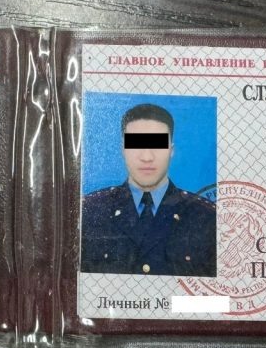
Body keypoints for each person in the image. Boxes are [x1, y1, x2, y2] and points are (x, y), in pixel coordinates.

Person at [81, 103, 216, 276]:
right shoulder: (91, 211)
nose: (146, 157)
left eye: (157, 144)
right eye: (136, 144)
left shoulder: (206, 217)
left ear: (171, 151)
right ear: (123, 149)